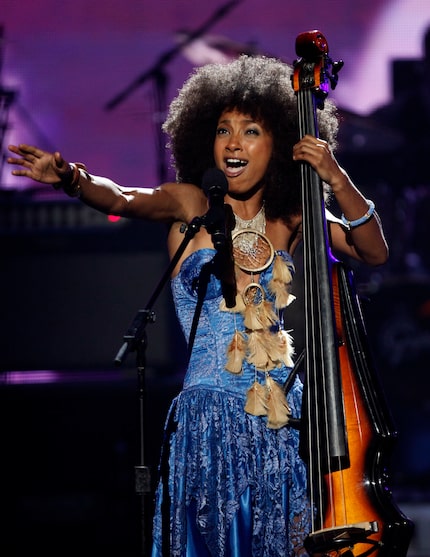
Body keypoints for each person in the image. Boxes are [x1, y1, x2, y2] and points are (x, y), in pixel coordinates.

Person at [7, 55, 388, 556]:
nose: (233, 142)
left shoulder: (294, 219)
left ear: (278, 144)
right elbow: (122, 197)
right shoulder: (193, 206)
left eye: (250, 131)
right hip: (208, 424)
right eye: (223, 130)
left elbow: (373, 251)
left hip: (281, 429)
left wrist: (334, 177)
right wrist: (72, 179)